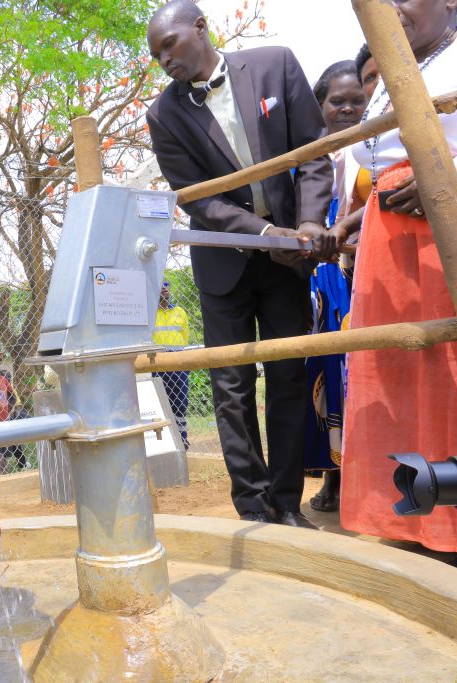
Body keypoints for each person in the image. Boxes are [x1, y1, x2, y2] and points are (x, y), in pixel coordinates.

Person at [145, 0, 334, 528]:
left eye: (170, 46)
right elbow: (198, 201)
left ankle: (288, 503)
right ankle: (253, 507)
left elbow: (314, 153)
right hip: (223, 264)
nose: (164, 61)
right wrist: (265, 233)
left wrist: (309, 224)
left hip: (289, 258)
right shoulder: (163, 114)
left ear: (201, 28)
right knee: (230, 387)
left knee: (288, 376)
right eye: (156, 55)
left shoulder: (276, 64)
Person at [335, 0, 457, 563]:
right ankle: (426, 526)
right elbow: (378, 158)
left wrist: (447, 184)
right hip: (393, 250)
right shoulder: (393, 69)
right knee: (402, 380)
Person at [303, 62, 366, 513]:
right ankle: (333, 474)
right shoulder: (307, 153)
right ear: (319, 105)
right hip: (320, 275)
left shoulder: (375, 147)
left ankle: (364, 477)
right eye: (337, 101)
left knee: (356, 369)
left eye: (357, 101)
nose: (347, 108)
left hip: (357, 269)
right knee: (325, 370)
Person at [152, 280, 191, 448]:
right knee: (160, 403)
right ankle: (165, 442)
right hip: (158, 365)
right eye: (160, 287)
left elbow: (185, 337)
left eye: (166, 286)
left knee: (180, 403)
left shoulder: (180, 311)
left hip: (178, 364)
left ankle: (182, 439)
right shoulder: (150, 315)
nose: (164, 290)